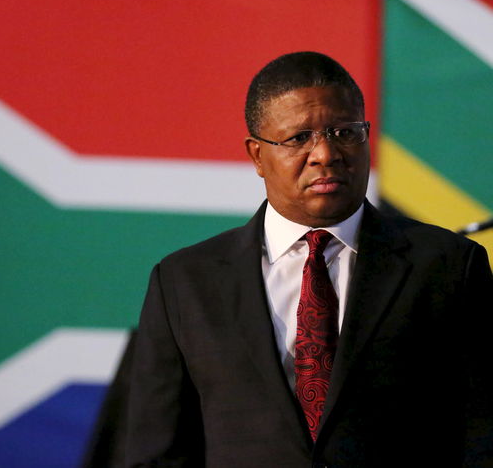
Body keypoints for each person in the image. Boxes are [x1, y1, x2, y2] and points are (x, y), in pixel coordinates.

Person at [125, 51, 493, 466]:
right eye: (299, 138)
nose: (326, 154)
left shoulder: (447, 267)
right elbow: (155, 450)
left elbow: (481, 437)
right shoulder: (185, 282)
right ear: (256, 155)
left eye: (345, 132)